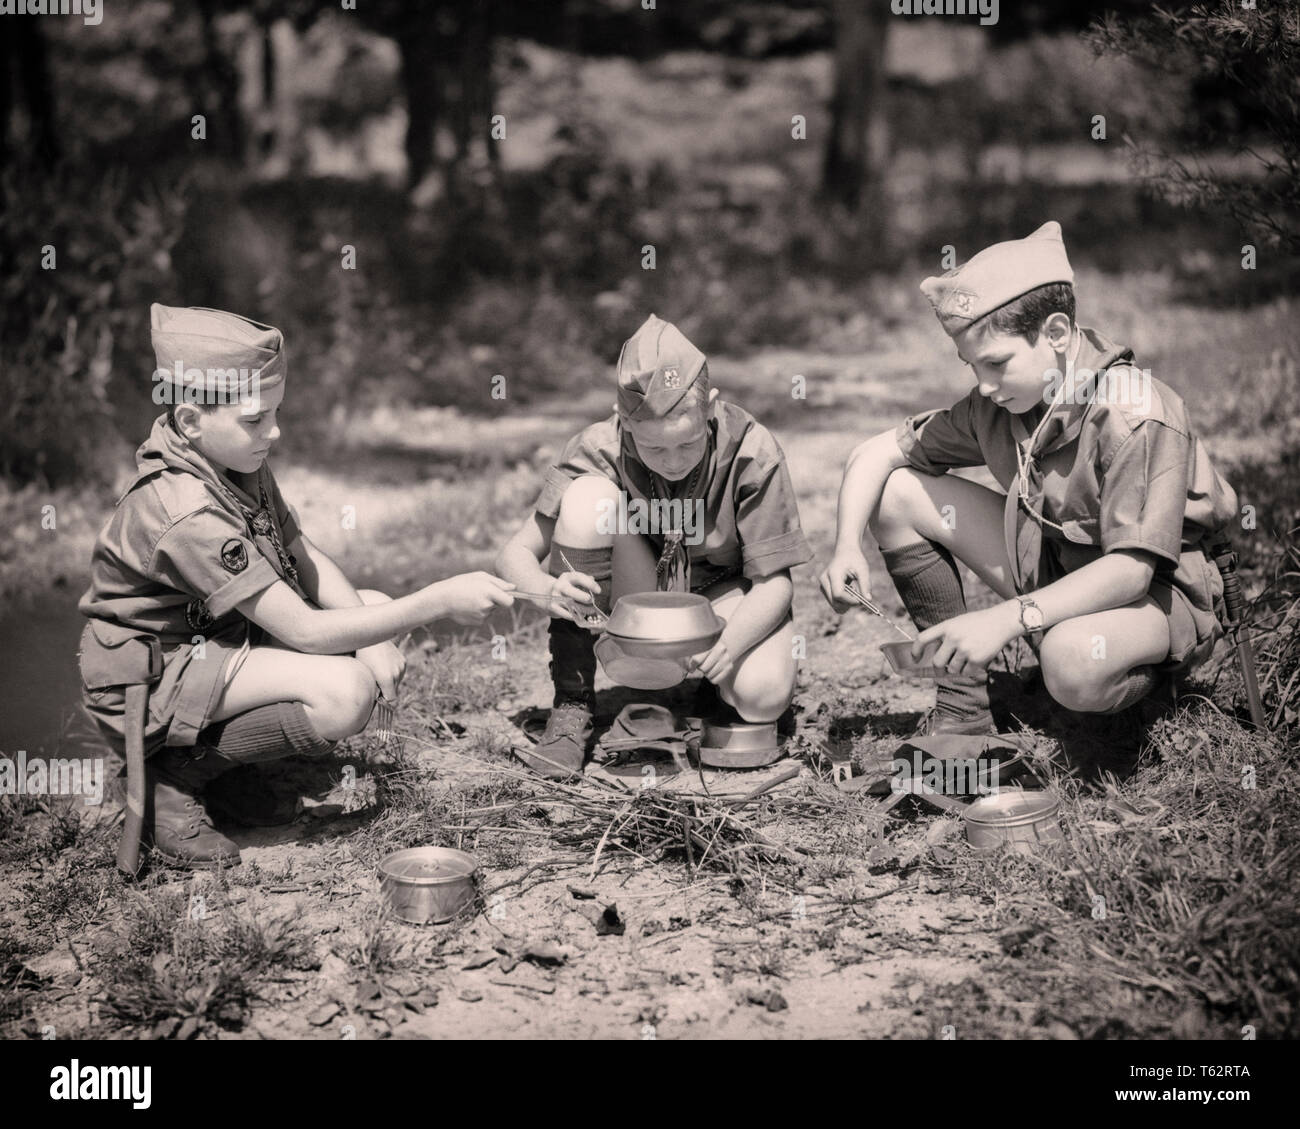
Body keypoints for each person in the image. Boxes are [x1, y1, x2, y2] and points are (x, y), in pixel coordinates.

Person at [78, 304, 514, 867]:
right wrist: (435, 601)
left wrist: (380, 633)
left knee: (371, 609)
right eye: (257, 419)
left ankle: (230, 767)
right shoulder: (185, 509)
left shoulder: (235, 460)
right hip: (152, 673)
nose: (275, 431)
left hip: (212, 644)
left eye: (276, 413)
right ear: (190, 421)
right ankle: (174, 773)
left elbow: (304, 556)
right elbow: (306, 631)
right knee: (346, 692)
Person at [819, 222, 1238, 734]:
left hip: (1156, 597)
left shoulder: (1134, 413)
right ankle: (964, 709)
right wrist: (846, 547)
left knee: (1071, 659)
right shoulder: (1002, 403)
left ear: (1056, 334)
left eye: (996, 363)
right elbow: (875, 452)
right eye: (972, 366)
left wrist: (1002, 619)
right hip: (1056, 572)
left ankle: (1139, 709)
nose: (985, 386)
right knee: (895, 494)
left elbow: (1132, 571)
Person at [496, 314, 812, 778]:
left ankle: (713, 686)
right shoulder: (597, 447)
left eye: (687, 446)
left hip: (720, 602)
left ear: (711, 410)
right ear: (623, 421)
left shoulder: (752, 451)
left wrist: (732, 643)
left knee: (762, 698)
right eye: (653, 449)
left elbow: (775, 584)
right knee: (586, 499)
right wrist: (547, 590)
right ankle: (572, 706)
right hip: (636, 601)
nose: (672, 463)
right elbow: (514, 555)